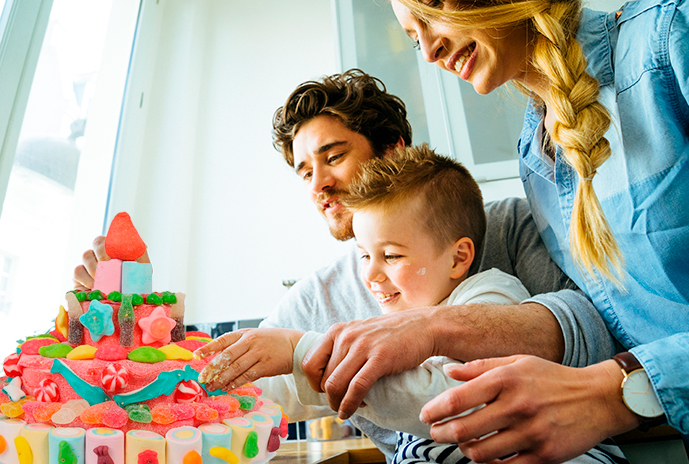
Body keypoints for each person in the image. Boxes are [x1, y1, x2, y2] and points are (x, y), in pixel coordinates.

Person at [73, 69, 615, 461]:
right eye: (304, 172)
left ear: (394, 150)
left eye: (332, 156)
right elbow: (236, 388)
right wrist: (132, 320)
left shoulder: (505, 228)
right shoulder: (313, 301)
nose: (319, 184)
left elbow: (597, 333)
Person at [301, 2, 689, 463]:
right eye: (411, 35)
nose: (427, 50)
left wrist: (614, 392)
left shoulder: (668, 40)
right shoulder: (536, 156)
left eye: (434, 8)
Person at [195, 144, 624, 464]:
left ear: (459, 258)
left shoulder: (492, 296)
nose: (371, 275)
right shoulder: (384, 323)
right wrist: (206, 388)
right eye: (365, 255)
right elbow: (294, 391)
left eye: (392, 256)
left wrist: (301, 350)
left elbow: (452, 400)